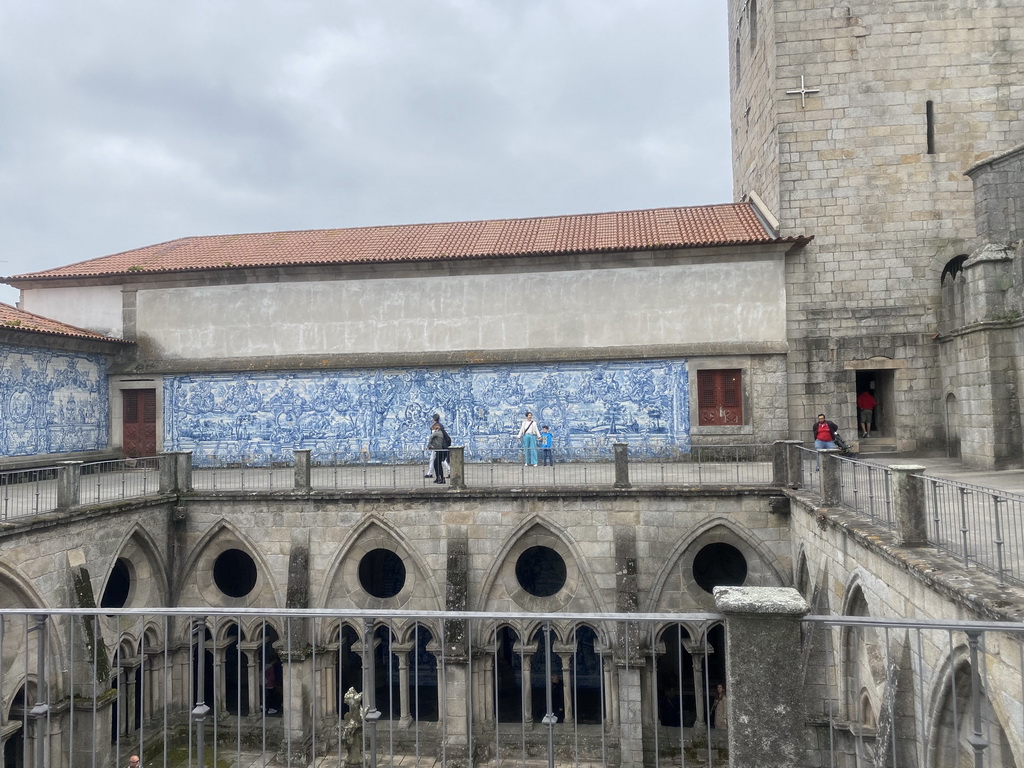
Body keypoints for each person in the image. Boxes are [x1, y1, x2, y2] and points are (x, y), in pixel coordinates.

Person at [423, 414, 451, 479]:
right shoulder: (440, 425)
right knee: (433, 459)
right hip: (438, 446)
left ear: (434, 419)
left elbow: (432, 437)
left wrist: (429, 445)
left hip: (437, 446)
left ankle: (449, 471)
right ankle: (430, 473)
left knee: (439, 460)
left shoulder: (436, 426)